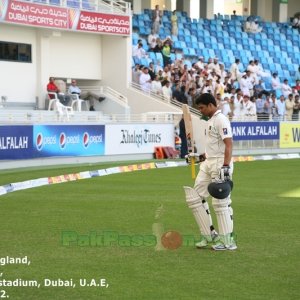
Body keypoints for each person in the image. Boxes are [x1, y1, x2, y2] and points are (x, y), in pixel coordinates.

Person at [183, 93, 237, 251]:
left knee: (220, 202)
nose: (200, 111)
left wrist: (226, 167)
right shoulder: (209, 121)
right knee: (194, 197)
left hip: (221, 162)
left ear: (210, 105)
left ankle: (228, 242)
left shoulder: (221, 120)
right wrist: (198, 157)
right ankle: (209, 235)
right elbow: (211, 148)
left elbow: (228, 144)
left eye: (202, 108)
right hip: (208, 163)